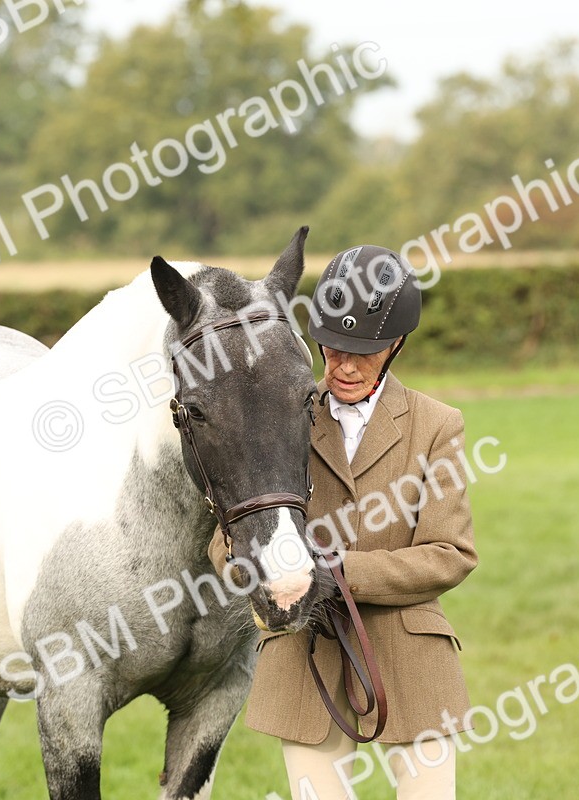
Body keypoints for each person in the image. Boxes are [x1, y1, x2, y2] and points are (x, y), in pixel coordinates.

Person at [210, 245, 478, 799]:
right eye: (332, 348)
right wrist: (261, 570)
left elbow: (450, 554)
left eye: (365, 351)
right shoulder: (282, 417)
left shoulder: (436, 425)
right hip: (306, 651)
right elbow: (225, 542)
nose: (345, 366)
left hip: (411, 655)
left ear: (396, 344)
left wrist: (336, 571)